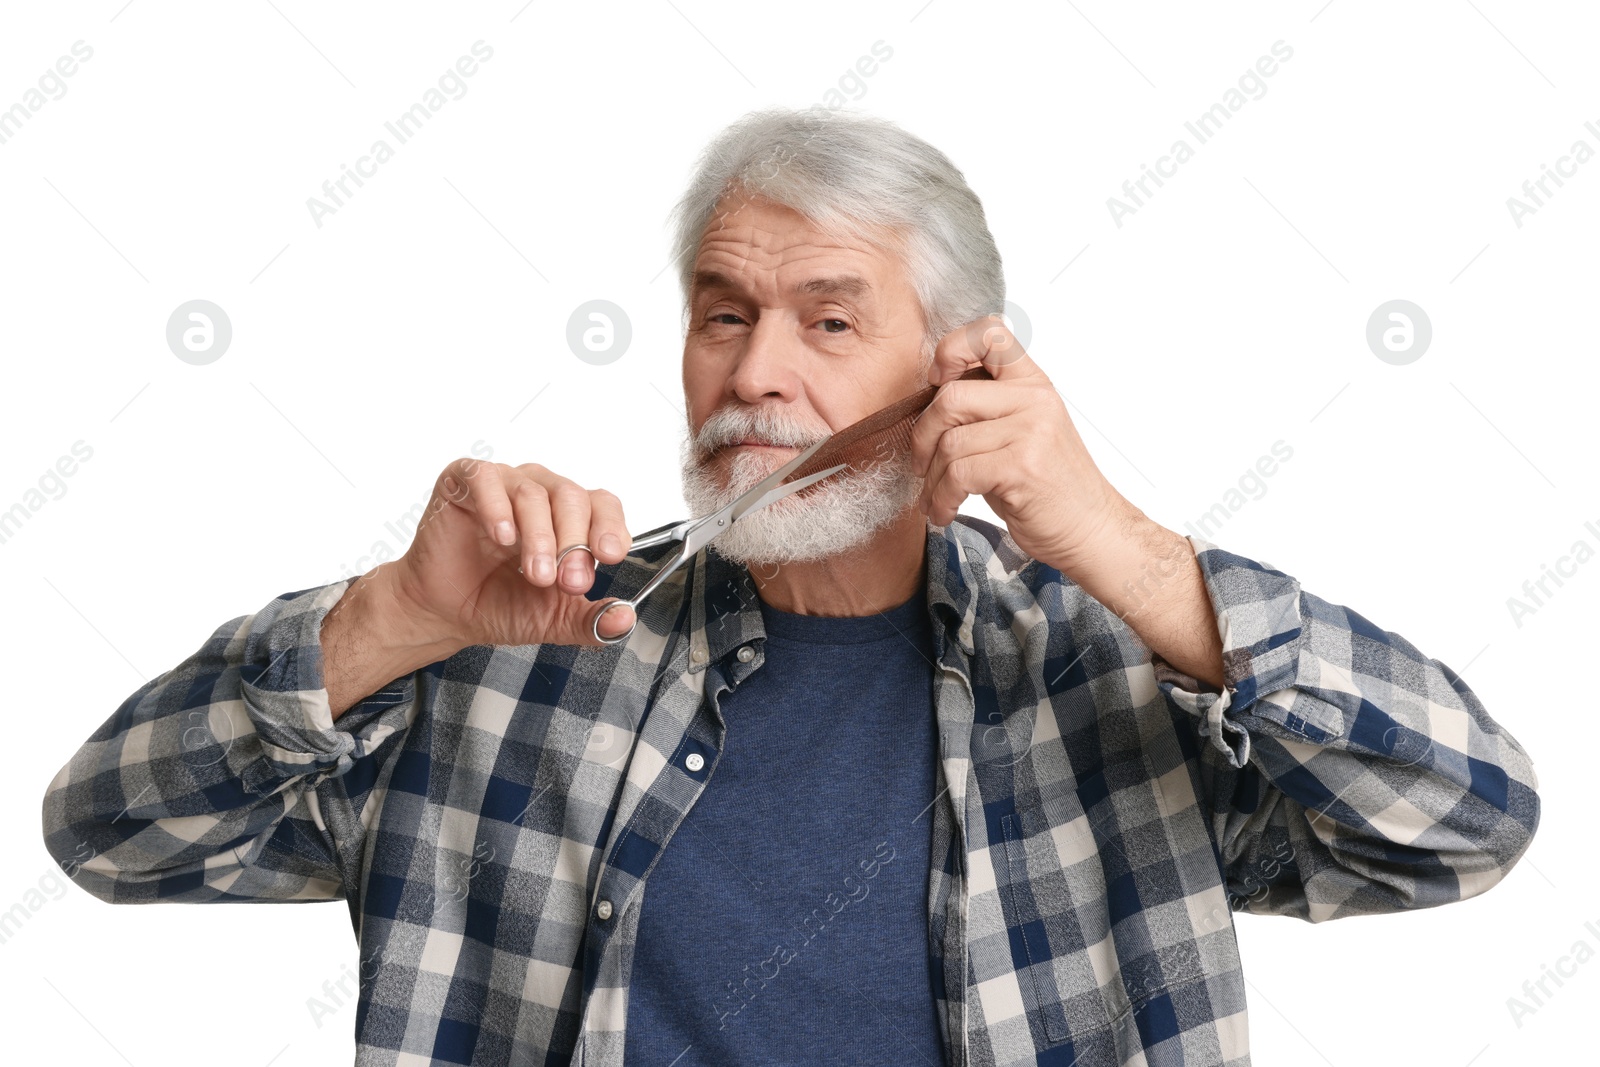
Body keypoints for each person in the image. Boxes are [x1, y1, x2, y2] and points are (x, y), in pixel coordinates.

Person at [42, 108, 1540, 1067]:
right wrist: (394, 617)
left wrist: (1117, 544)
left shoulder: (1110, 674)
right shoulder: (503, 640)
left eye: (831, 321)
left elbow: (1465, 824)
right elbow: (109, 835)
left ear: (959, 364)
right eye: (723, 316)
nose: (755, 373)